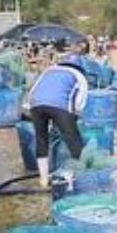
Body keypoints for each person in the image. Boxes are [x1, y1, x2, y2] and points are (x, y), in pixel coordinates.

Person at [26, 54, 90, 188]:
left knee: (42, 140)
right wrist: (74, 118)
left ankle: (43, 179)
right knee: (74, 142)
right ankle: (82, 179)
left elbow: (32, 90)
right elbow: (80, 102)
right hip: (60, 106)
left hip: (36, 105)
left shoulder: (49, 70)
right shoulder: (79, 75)